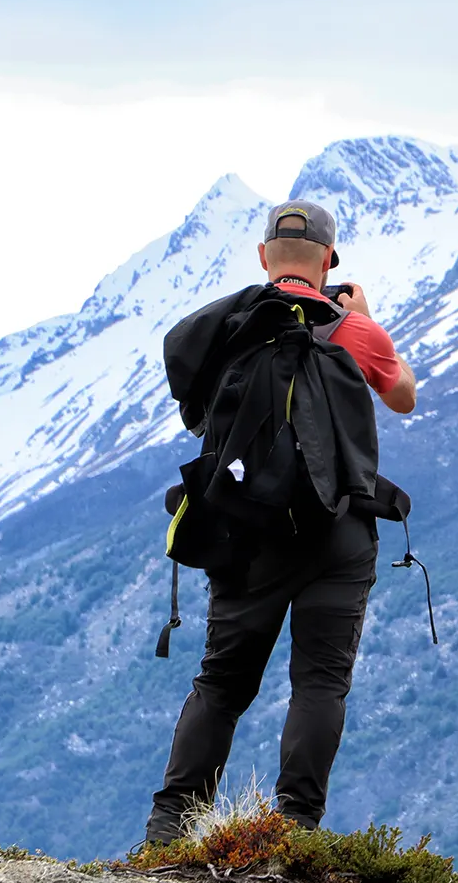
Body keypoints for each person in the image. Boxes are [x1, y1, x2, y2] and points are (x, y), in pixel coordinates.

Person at [143, 200, 416, 845]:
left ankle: (169, 828)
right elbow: (404, 393)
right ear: (328, 262)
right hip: (338, 534)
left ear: (264, 258)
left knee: (221, 684)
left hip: (244, 531)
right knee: (319, 683)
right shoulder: (353, 331)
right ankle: (295, 829)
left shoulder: (228, 329)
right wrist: (365, 323)